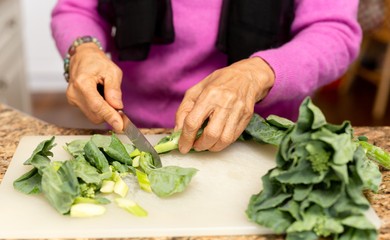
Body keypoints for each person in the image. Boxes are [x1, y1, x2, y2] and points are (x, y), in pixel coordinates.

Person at [51, 0, 362, 154]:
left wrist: (256, 74)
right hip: (135, 130)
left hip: (258, 139)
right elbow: (77, 10)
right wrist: (83, 49)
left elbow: (334, 33)